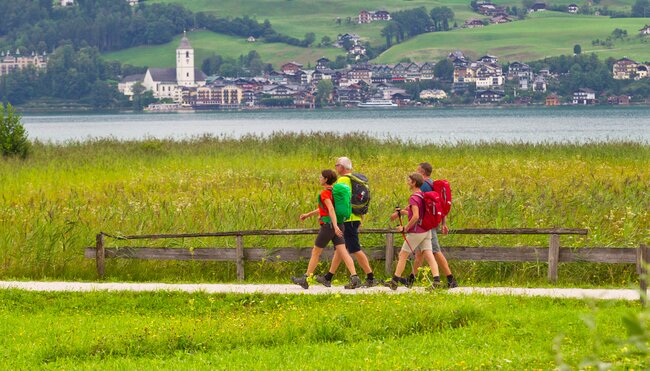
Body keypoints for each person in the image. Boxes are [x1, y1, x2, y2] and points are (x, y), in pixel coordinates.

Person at [291, 169, 362, 289]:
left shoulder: (325, 193)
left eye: (321, 177)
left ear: (326, 179)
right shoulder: (335, 192)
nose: (319, 178)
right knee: (343, 252)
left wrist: (333, 226)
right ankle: (355, 277)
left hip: (329, 226)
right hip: (339, 225)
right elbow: (324, 209)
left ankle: (305, 278)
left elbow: (330, 209)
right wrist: (308, 214)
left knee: (316, 252)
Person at [315, 157, 376, 288]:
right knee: (341, 249)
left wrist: (327, 216)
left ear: (341, 167)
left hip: (347, 220)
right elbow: (356, 201)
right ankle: (328, 277)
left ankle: (370, 278)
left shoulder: (343, 180)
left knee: (355, 249)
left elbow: (337, 203)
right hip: (356, 218)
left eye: (337, 165)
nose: (336, 168)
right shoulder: (356, 180)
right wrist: (361, 218)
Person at [385, 172, 441, 290]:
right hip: (426, 230)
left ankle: (394, 281)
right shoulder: (422, 195)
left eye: (409, 180)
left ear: (414, 182)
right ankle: (436, 281)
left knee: (403, 254)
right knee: (429, 255)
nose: (407, 182)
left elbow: (415, 216)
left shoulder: (414, 198)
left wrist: (405, 227)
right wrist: (400, 212)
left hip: (417, 232)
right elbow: (416, 213)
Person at [410, 162, 458, 288]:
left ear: (422, 172)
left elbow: (417, 203)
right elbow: (440, 205)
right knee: (420, 253)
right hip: (432, 222)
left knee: (435, 251)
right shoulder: (432, 183)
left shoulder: (424, 186)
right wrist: (443, 223)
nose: (415, 172)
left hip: (426, 224)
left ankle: (450, 279)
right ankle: (411, 279)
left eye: (417, 170)